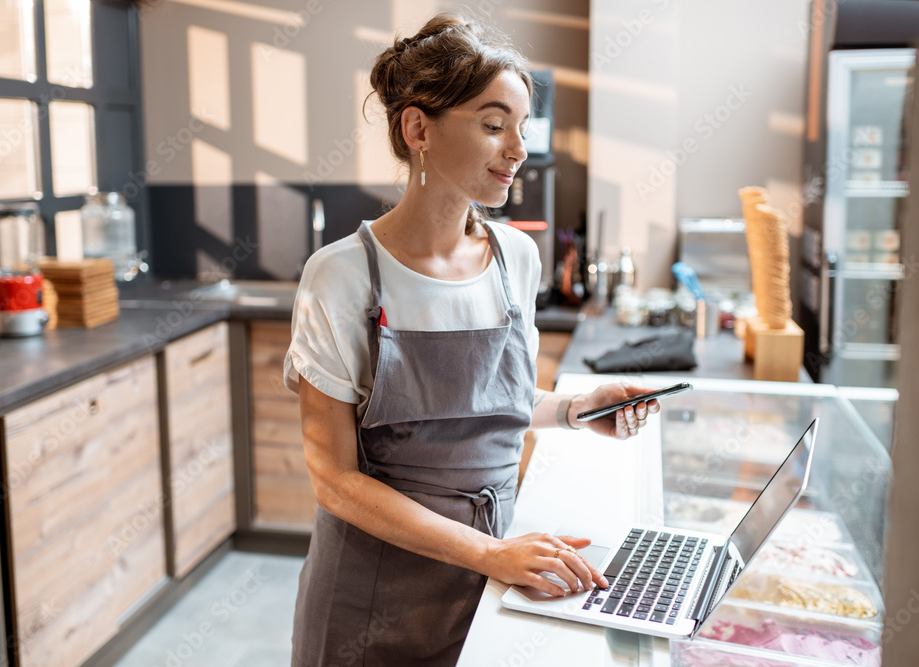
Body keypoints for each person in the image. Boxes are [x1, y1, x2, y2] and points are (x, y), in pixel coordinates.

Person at [283, 13, 660, 665]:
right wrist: (491, 552)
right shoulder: (342, 277)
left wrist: (575, 409)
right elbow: (334, 479)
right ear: (418, 128)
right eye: (493, 125)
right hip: (371, 598)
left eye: (521, 126)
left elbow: (482, 402)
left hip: (490, 574)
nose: (517, 148)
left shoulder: (517, 257)